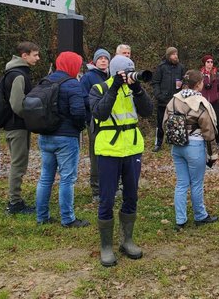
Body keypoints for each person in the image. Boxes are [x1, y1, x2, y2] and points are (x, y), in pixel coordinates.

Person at [89, 55, 153, 266]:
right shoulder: (99, 89)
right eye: (127, 71)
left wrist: (137, 89)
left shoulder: (132, 89)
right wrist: (114, 87)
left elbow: (148, 111)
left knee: (131, 195)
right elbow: (99, 112)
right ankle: (106, 246)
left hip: (132, 148)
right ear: (116, 71)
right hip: (108, 150)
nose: (129, 74)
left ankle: (127, 240)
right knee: (106, 198)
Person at [35, 51, 89, 227]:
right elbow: (78, 111)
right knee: (67, 178)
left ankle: (41, 217)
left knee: (45, 178)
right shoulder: (72, 84)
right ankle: (68, 219)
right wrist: (80, 127)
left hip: (45, 135)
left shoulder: (46, 80)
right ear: (72, 65)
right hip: (66, 138)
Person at [164, 70, 219, 230]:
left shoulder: (173, 100)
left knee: (181, 183)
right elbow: (208, 130)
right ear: (199, 84)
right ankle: (200, 216)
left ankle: (180, 220)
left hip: (177, 147)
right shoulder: (199, 102)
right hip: (194, 146)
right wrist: (212, 153)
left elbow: (164, 123)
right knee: (196, 183)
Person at [4, 41, 40, 215]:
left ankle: (15, 200)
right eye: (35, 55)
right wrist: (32, 117)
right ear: (24, 56)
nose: (38, 58)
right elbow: (17, 105)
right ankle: (14, 203)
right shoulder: (18, 75)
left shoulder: (12, 72)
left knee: (18, 163)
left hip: (13, 125)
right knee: (18, 164)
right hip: (17, 126)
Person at [80, 48, 111, 203]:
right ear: (95, 61)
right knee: (96, 156)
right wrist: (99, 102)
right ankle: (96, 190)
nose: (103, 60)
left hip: (112, 123)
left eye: (106, 58)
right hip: (95, 122)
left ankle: (111, 186)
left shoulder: (112, 76)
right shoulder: (88, 77)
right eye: (100, 58)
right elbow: (83, 98)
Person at [152, 47, 185, 152]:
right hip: (163, 100)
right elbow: (155, 82)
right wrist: (158, 95)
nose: (175, 56)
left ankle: (175, 143)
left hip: (176, 100)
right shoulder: (161, 67)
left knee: (176, 122)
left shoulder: (181, 67)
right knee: (160, 123)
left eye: (176, 53)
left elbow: (185, 82)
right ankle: (158, 143)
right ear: (168, 56)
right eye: (173, 54)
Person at [199, 55, 219, 143]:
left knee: (217, 122)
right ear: (204, 63)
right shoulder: (200, 74)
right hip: (203, 102)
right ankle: (205, 141)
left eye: (211, 62)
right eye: (208, 62)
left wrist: (217, 96)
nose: (210, 64)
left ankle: (216, 142)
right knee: (204, 122)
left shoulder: (217, 75)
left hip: (215, 102)